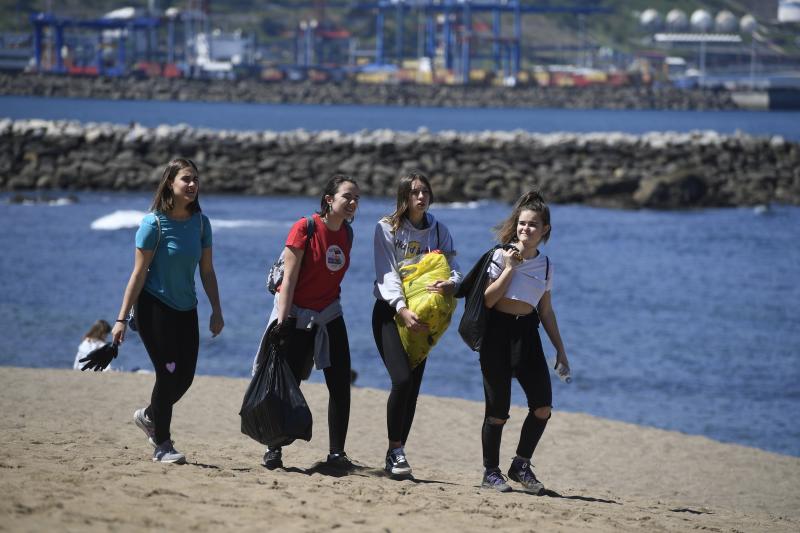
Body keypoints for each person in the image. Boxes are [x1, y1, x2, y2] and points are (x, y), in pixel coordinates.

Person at [111, 158, 224, 464]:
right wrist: (121, 319)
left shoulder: (201, 223)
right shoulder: (154, 224)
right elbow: (138, 274)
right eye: (186, 179)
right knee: (167, 372)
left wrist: (216, 309)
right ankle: (163, 444)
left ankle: (149, 415)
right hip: (153, 308)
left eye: (195, 180)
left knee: (184, 377)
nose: (192, 185)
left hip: (187, 308)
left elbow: (208, 271)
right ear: (170, 183)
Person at [259, 174, 360, 471]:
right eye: (347, 197)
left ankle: (336, 453)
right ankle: (273, 448)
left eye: (356, 199)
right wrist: (281, 322)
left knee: (340, 384)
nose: (353, 203)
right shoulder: (305, 228)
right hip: (296, 314)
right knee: (287, 383)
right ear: (329, 200)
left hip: (329, 314)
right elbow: (288, 279)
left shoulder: (348, 234)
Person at [478, 191, 571, 493]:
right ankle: (491, 472)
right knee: (498, 411)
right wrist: (509, 268)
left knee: (542, 405)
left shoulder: (545, 265)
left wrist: (560, 349)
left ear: (544, 230)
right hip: (497, 334)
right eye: (522, 224)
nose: (525, 229)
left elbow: (545, 310)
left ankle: (520, 465)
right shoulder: (499, 255)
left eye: (532, 225)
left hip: (527, 334)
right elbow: (488, 300)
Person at [372, 170, 462, 477]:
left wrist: (453, 284)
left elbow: (454, 268)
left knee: (413, 388)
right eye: (414, 192)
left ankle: (396, 453)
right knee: (402, 381)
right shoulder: (387, 228)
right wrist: (400, 309)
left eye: (424, 191)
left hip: (424, 316)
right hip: (389, 313)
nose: (420, 197)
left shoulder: (439, 230)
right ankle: (395, 450)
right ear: (404, 197)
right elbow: (386, 274)